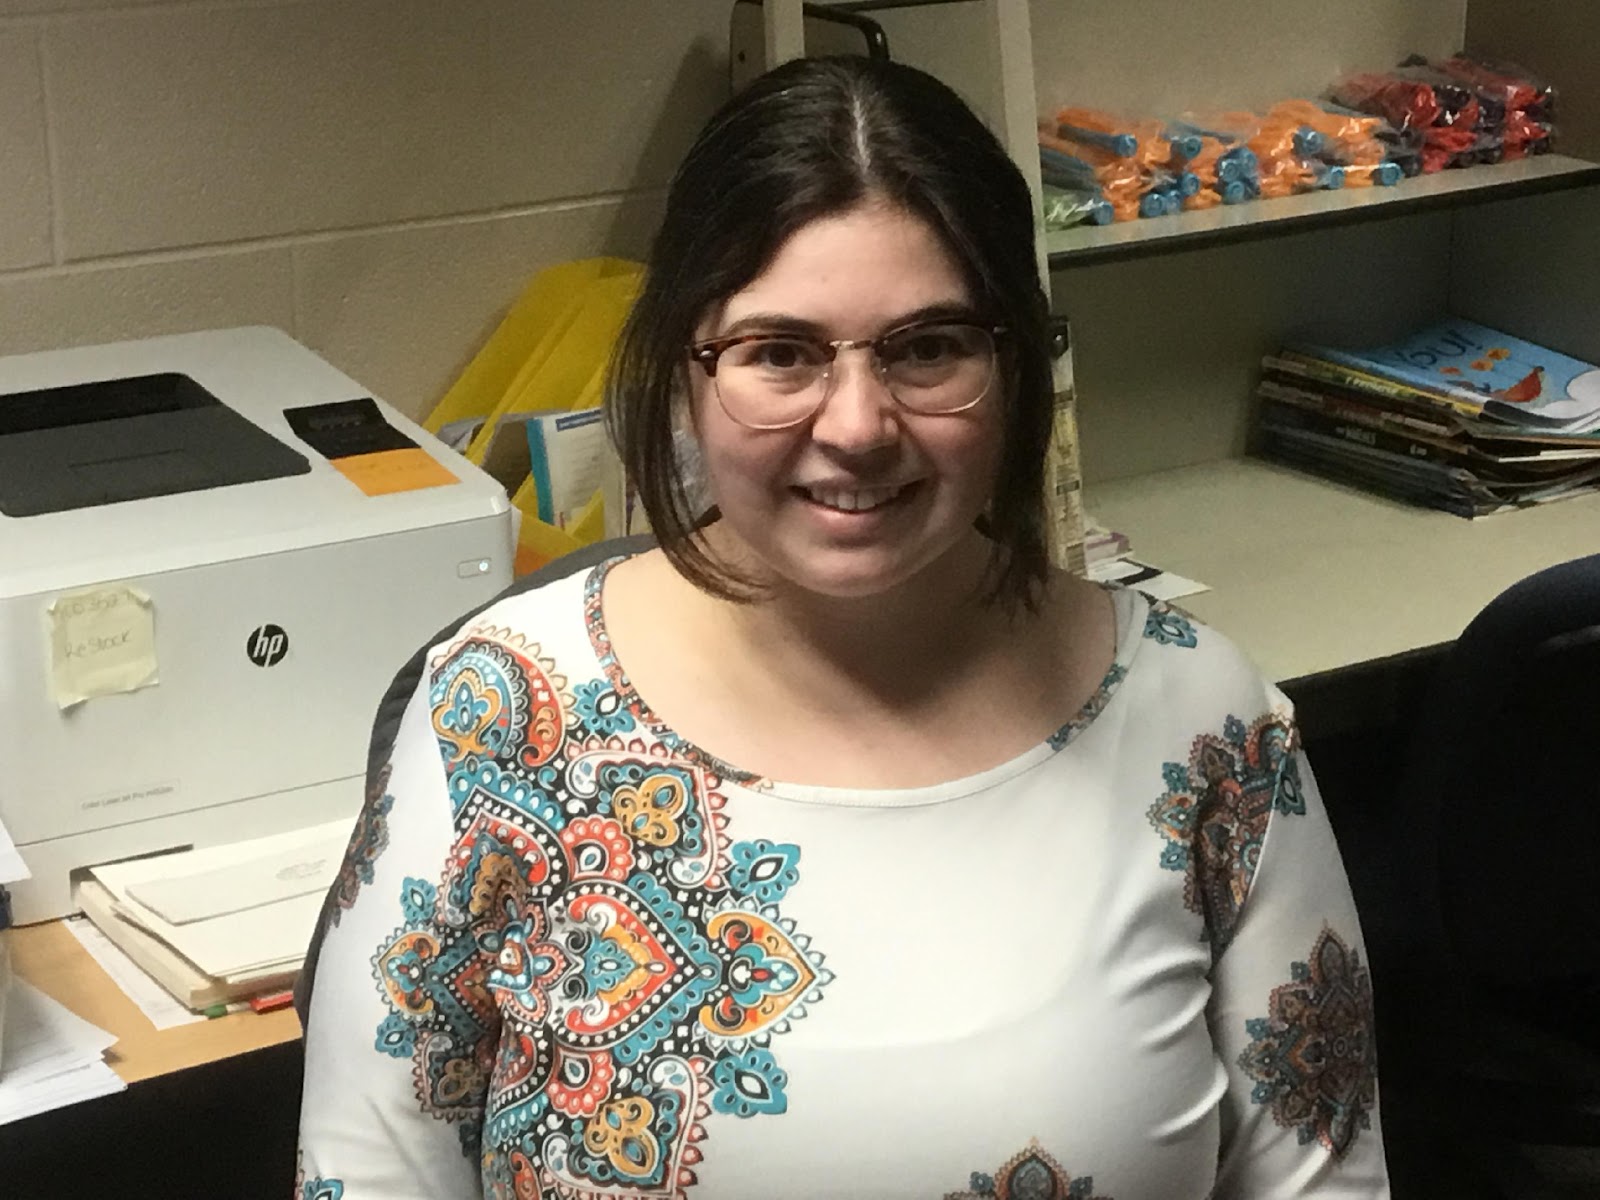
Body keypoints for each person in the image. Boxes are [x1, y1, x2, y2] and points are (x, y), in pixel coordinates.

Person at [295, 55, 1389, 1200]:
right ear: (682, 371)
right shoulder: (500, 714)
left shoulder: (1204, 725)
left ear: (1014, 364)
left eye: (927, 348)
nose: (858, 427)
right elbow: (367, 1177)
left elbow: (1325, 1184)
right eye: (780, 353)